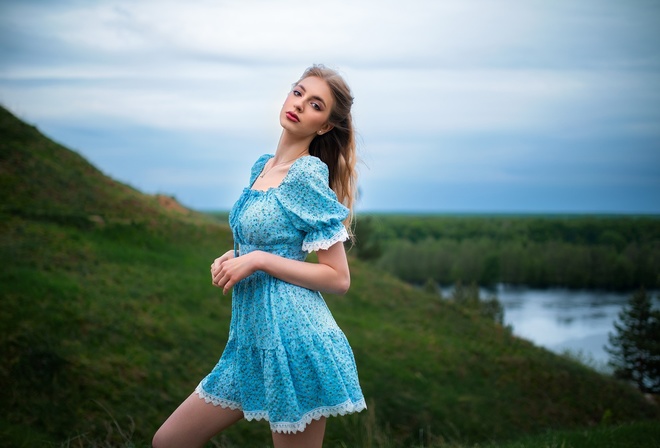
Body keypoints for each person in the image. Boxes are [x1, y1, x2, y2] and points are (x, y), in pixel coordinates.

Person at [152, 64, 366, 448]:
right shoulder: (262, 167)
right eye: (298, 92)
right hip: (248, 344)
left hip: (294, 342)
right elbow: (266, 240)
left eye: (315, 104)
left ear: (324, 127)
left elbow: (338, 278)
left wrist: (257, 261)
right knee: (169, 441)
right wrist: (234, 256)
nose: (300, 105)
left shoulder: (305, 175)